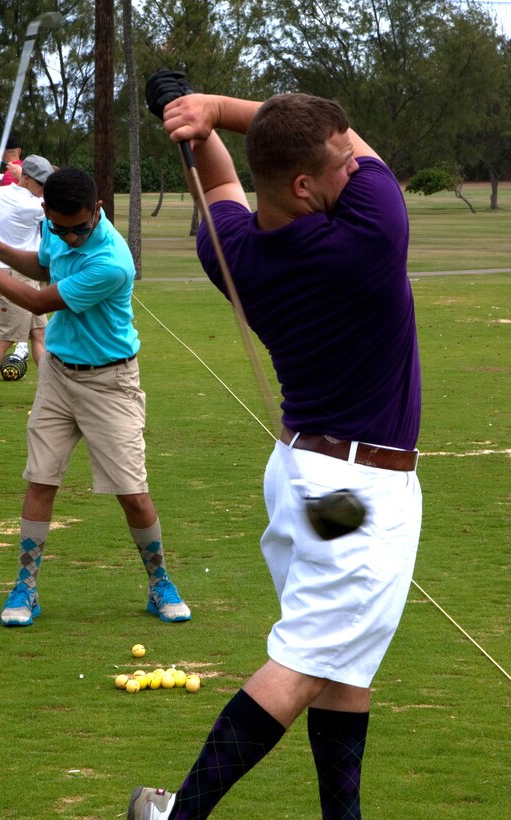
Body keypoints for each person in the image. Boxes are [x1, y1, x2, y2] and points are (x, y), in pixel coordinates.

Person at [126, 88, 422, 819]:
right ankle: (180, 814)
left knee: (341, 663)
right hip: (359, 493)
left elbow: (223, 182)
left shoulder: (228, 248)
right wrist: (213, 108)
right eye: (340, 162)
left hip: (300, 476)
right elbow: (345, 137)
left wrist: (193, 127)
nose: (354, 163)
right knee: (300, 666)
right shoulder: (372, 234)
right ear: (303, 183)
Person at [0, 167, 191, 627]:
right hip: (58, 377)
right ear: (46, 213)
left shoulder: (111, 261)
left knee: (133, 493)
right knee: (40, 481)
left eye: (80, 228)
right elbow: (45, 265)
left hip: (111, 384)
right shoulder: (56, 229)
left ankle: (160, 581)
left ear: (98, 212)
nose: (70, 238)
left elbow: (40, 300)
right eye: (61, 227)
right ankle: (25, 586)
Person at [0, 155, 54, 410]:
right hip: (11, 274)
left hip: (29, 273)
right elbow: (55, 200)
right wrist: (21, 172)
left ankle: (49, 391)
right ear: (27, 179)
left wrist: (19, 174)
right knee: (8, 336)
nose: (44, 187)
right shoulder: (32, 206)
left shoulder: (0, 192)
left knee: (39, 333)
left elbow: (12, 186)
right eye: (40, 182)